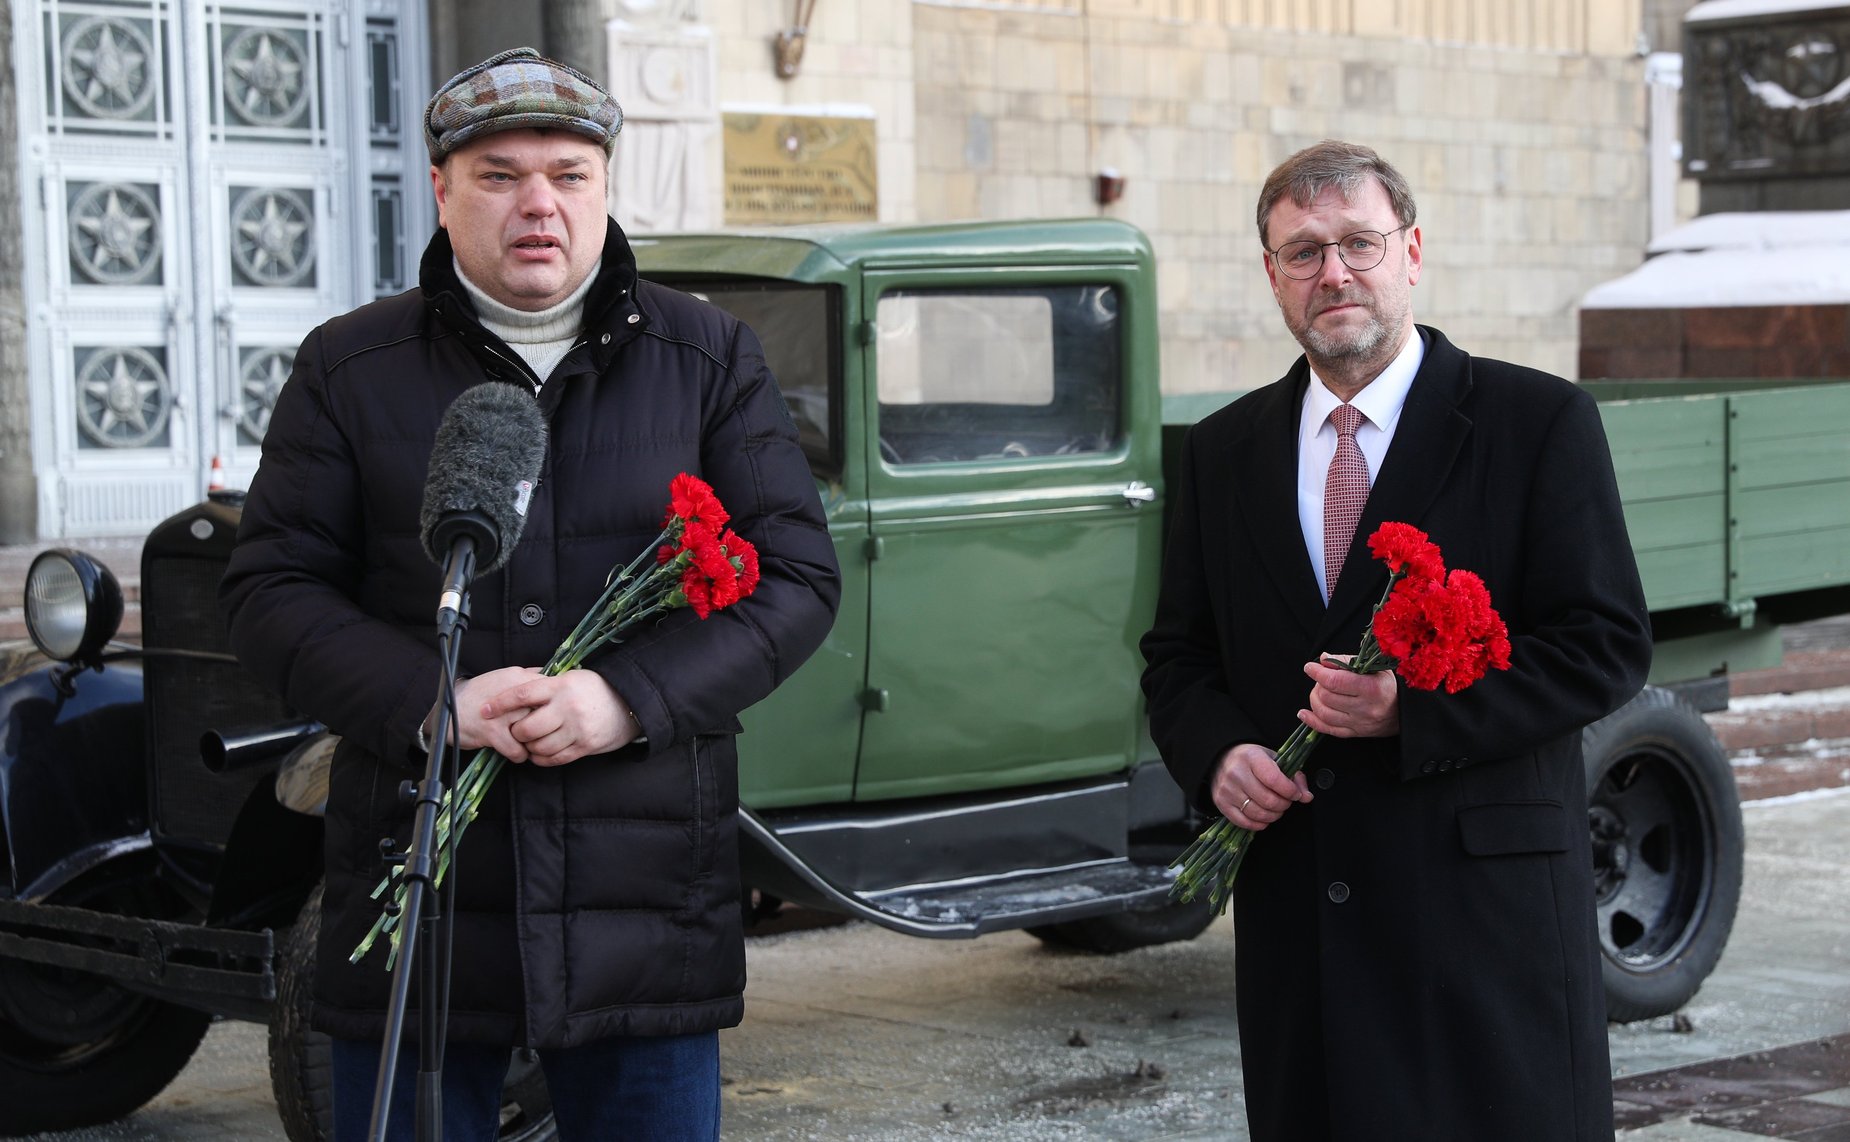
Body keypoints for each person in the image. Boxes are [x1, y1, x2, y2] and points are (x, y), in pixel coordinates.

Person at [220, 47, 840, 1141]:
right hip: (421, 894)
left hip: (640, 901)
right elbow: (270, 587)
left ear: (604, 188)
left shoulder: (707, 357)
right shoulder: (348, 367)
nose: (538, 205)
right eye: (500, 174)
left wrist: (627, 698)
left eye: (568, 173)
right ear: (442, 190)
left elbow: (792, 578)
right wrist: (429, 696)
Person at [1140, 140, 1651, 1141]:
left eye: (1356, 243)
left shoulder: (1534, 420)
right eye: (1301, 252)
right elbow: (1178, 657)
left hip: (1478, 927)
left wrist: (1408, 710)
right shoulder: (1221, 451)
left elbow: (1603, 643)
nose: (1331, 272)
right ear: (1272, 276)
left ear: (1410, 252)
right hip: (1304, 932)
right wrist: (1219, 756)